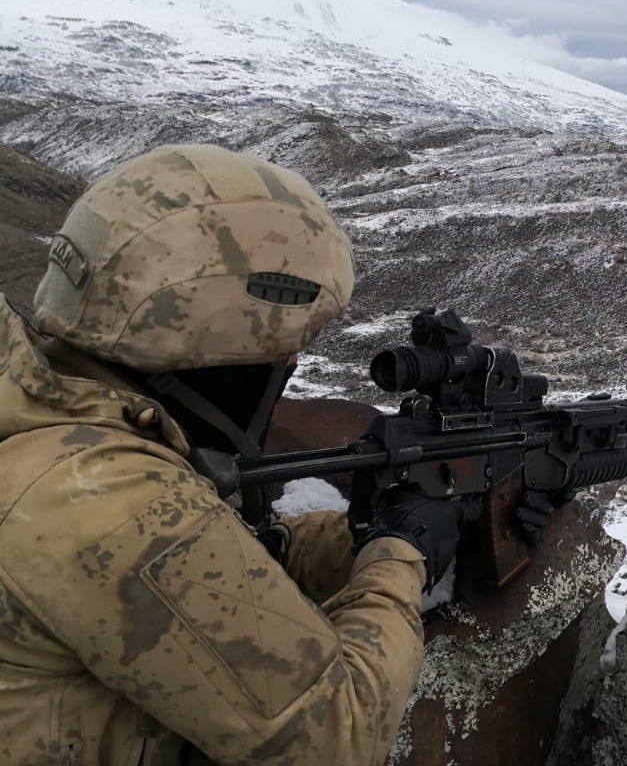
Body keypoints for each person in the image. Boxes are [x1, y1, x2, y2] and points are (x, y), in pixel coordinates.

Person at [0, 145, 480, 765]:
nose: (291, 363)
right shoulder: (108, 499)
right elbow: (336, 734)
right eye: (282, 349)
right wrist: (401, 555)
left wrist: (364, 530)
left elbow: (225, 561)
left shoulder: (56, 414)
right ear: (208, 348)